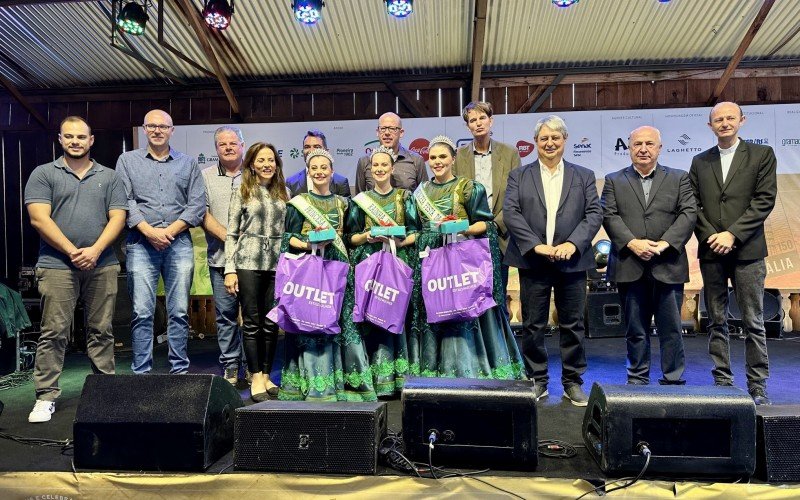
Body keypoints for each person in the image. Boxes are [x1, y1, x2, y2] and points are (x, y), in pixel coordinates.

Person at [24, 116, 127, 423]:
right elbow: (39, 219)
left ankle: (104, 391)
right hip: (56, 265)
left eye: (81, 137)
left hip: (102, 264)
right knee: (53, 331)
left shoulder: (109, 177)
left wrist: (94, 251)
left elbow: (118, 218)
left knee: (102, 331)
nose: (75, 142)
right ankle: (45, 396)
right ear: (60, 139)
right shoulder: (43, 174)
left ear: (91, 140)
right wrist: (72, 251)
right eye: (69, 137)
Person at [503, 115, 602, 406]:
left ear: (564, 141)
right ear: (535, 142)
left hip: (573, 260)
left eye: (555, 138)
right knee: (533, 324)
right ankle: (537, 380)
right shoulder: (519, 176)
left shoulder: (583, 175)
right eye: (544, 138)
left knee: (573, 324)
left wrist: (573, 243)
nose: (550, 143)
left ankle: (572, 382)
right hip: (534, 262)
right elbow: (511, 213)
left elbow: (594, 214)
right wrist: (536, 246)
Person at [414, 135, 524, 381]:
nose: (437, 162)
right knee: (438, 311)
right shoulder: (419, 192)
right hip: (433, 263)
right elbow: (417, 230)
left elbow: (486, 225)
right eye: (432, 157)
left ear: (453, 159)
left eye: (443, 156)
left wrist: (460, 228)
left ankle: (472, 368)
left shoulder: (469, 188)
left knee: (466, 311)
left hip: (462, 263)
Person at [690, 101, 778, 405]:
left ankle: (757, 384)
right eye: (718, 119)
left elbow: (764, 200)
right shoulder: (700, 161)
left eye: (730, 118)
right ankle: (722, 379)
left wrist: (733, 234)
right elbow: (693, 205)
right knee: (716, 319)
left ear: (742, 120)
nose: (724, 123)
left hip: (748, 251)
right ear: (710, 125)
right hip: (712, 251)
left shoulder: (761, 155)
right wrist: (712, 236)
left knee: (753, 320)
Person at [279, 148, 377, 402]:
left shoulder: (344, 204)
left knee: (342, 325)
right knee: (312, 323)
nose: (320, 172)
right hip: (310, 270)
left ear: (332, 172)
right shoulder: (298, 204)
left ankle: (350, 384)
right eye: (314, 168)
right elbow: (287, 239)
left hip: (338, 269)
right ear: (309, 173)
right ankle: (316, 383)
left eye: (324, 168)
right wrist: (309, 244)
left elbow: (349, 238)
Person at [602, 126, 696, 386]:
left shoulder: (679, 178)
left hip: (668, 263)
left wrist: (665, 243)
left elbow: (688, 214)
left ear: (659, 148)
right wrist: (632, 243)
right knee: (635, 329)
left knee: (671, 329)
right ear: (629, 148)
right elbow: (609, 215)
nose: (643, 149)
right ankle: (637, 377)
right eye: (637, 144)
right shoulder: (613, 180)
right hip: (629, 265)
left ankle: (673, 378)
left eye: (649, 144)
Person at [116, 109, 205, 375]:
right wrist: (150, 232)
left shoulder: (188, 163)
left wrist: (168, 232)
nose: (157, 130)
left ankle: (179, 371)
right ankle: (141, 372)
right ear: (144, 129)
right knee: (142, 313)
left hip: (178, 243)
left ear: (172, 130)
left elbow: (197, 204)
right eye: (152, 126)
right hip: (140, 243)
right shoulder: (127, 160)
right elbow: (125, 200)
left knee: (178, 312)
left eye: (163, 127)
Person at [346, 146, 419, 396]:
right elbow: (350, 238)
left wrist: (399, 242)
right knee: (371, 320)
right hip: (369, 265)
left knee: (396, 316)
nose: (379, 169)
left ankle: (398, 378)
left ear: (392, 168)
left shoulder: (405, 197)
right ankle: (375, 378)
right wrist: (367, 236)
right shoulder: (359, 201)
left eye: (383, 165)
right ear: (369, 170)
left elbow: (415, 232)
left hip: (398, 262)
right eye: (374, 165)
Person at [224, 143, 288, 402]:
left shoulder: (284, 192)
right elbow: (231, 233)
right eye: (261, 160)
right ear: (251, 163)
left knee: (272, 323)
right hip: (248, 262)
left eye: (271, 160)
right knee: (252, 322)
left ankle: (267, 373)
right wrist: (230, 268)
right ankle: (255, 376)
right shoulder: (242, 189)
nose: (266, 165)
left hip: (276, 265)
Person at [453, 101, 521, 296]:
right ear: (468, 126)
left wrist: (493, 225)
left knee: (499, 296)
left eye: (482, 118)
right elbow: (454, 197)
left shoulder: (510, 153)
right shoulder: (458, 156)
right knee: (471, 296)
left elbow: (515, 198)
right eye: (473, 120)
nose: (478, 123)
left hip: (500, 235)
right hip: (468, 237)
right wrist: (469, 228)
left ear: (491, 121)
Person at [201, 126, 245, 384]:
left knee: (252, 317)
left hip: (251, 262)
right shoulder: (205, 176)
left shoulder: (254, 173)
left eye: (233, 143)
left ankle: (253, 367)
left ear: (242, 145)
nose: (228, 147)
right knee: (226, 316)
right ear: (216, 148)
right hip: (219, 259)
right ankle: (230, 365)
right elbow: (202, 214)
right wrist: (230, 237)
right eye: (222, 144)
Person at [355, 112, 427, 193]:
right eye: (383, 128)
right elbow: (359, 198)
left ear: (401, 132)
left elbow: (424, 195)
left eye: (392, 129)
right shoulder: (364, 161)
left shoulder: (416, 160)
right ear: (377, 132)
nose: (387, 133)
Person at [286, 130, 351, 197]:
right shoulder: (291, 182)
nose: (311, 151)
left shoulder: (341, 182)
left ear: (326, 151)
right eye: (307, 147)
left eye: (317, 147)